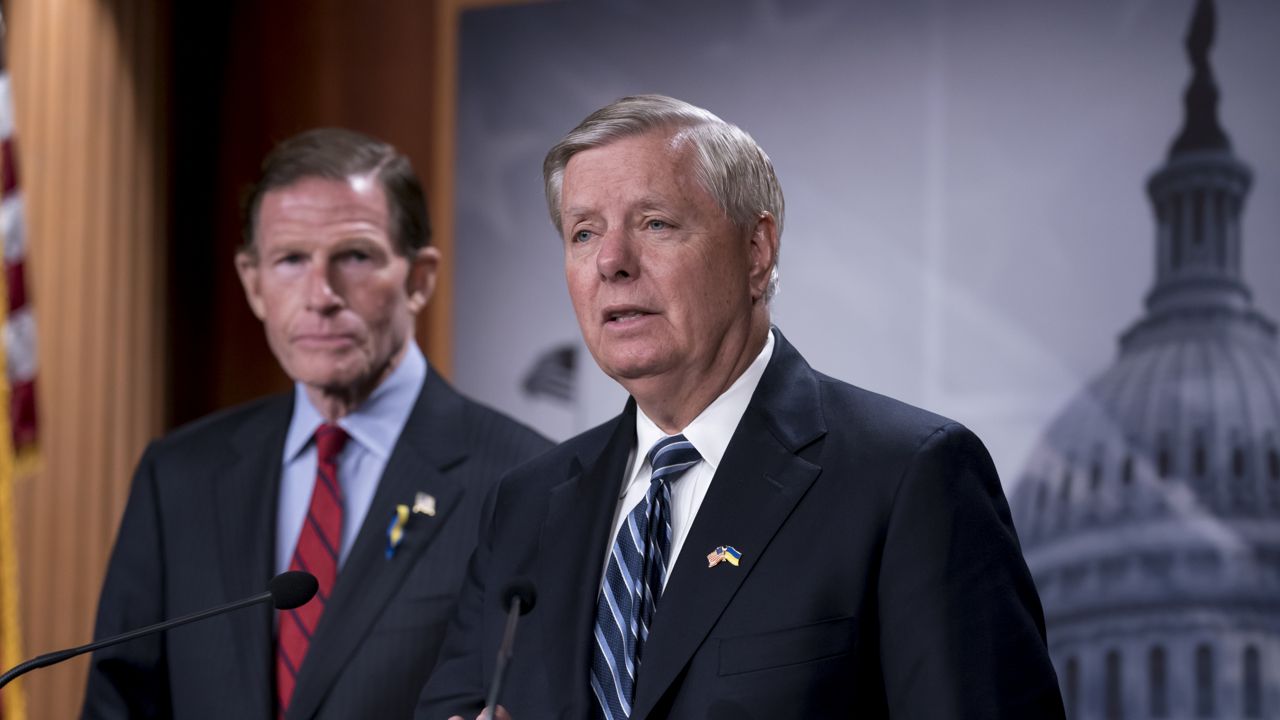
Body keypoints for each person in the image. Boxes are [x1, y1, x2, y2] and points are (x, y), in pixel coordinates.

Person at [417, 95, 1064, 719]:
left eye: (655, 224)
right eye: (584, 233)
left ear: (757, 252)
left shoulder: (907, 478)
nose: (611, 261)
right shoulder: (526, 506)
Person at [82, 128, 552, 720]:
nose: (321, 294)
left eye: (354, 256)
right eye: (290, 260)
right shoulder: (178, 476)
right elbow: (118, 704)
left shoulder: (528, 484)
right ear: (254, 284)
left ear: (419, 279)